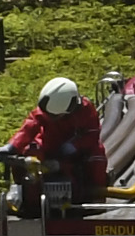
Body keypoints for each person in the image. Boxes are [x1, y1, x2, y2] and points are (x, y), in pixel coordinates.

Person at [8, 76, 109, 206]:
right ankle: (28, 197)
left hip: (77, 153)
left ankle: (95, 198)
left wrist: (73, 147)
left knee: (97, 158)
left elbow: (92, 135)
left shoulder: (85, 110)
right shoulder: (47, 110)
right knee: (29, 153)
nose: (50, 118)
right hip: (49, 145)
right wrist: (12, 146)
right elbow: (30, 126)